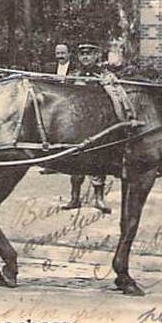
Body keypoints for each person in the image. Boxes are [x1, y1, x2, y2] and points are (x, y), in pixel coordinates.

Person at [62, 43, 111, 214]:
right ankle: (75, 198)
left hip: (99, 123)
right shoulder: (73, 76)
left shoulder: (105, 75)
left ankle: (99, 198)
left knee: (99, 159)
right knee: (75, 158)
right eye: (82, 54)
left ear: (96, 56)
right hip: (77, 123)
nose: (85, 57)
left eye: (89, 54)